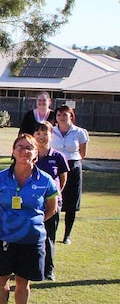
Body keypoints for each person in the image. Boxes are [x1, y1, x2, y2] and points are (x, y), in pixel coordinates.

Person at [0, 133, 58, 304]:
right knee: (1, 278)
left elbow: (52, 208)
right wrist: (6, 220)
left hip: (31, 239)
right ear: (13, 151)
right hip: (3, 237)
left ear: (36, 154)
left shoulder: (45, 180)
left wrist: (33, 222)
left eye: (29, 148)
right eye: (19, 146)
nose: (24, 151)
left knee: (23, 281)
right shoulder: (0, 178)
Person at [34, 121, 69, 281]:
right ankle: (32, 267)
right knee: (31, 235)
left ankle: (48, 270)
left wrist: (55, 197)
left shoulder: (58, 157)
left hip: (51, 204)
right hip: (32, 203)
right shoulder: (29, 155)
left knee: (48, 236)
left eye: (45, 133)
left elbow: (62, 179)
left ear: (51, 135)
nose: (41, 137)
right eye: (38, 133)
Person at [51, 104, 89, 244]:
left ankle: (67, 235)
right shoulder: (51, 131)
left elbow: (83, 153)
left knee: (72, 202)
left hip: (73, 166)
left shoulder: (79, 132)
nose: (61, 117)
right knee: (55, 199)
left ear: (71, 116)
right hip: (56, 167)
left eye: (65, 115)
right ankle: (52, 233)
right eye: (59, 115)